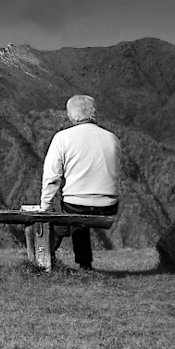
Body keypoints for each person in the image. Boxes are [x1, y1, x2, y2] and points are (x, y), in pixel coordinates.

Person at [38, 94, 121, 271]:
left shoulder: (62, 138)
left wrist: (45, 207)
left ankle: (46, 259)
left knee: (68, 215)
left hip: (76, 205)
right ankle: (83, 264)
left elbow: (52, 177)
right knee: (71, 219)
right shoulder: (112, 138)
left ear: (71, 114)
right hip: (109, 205)